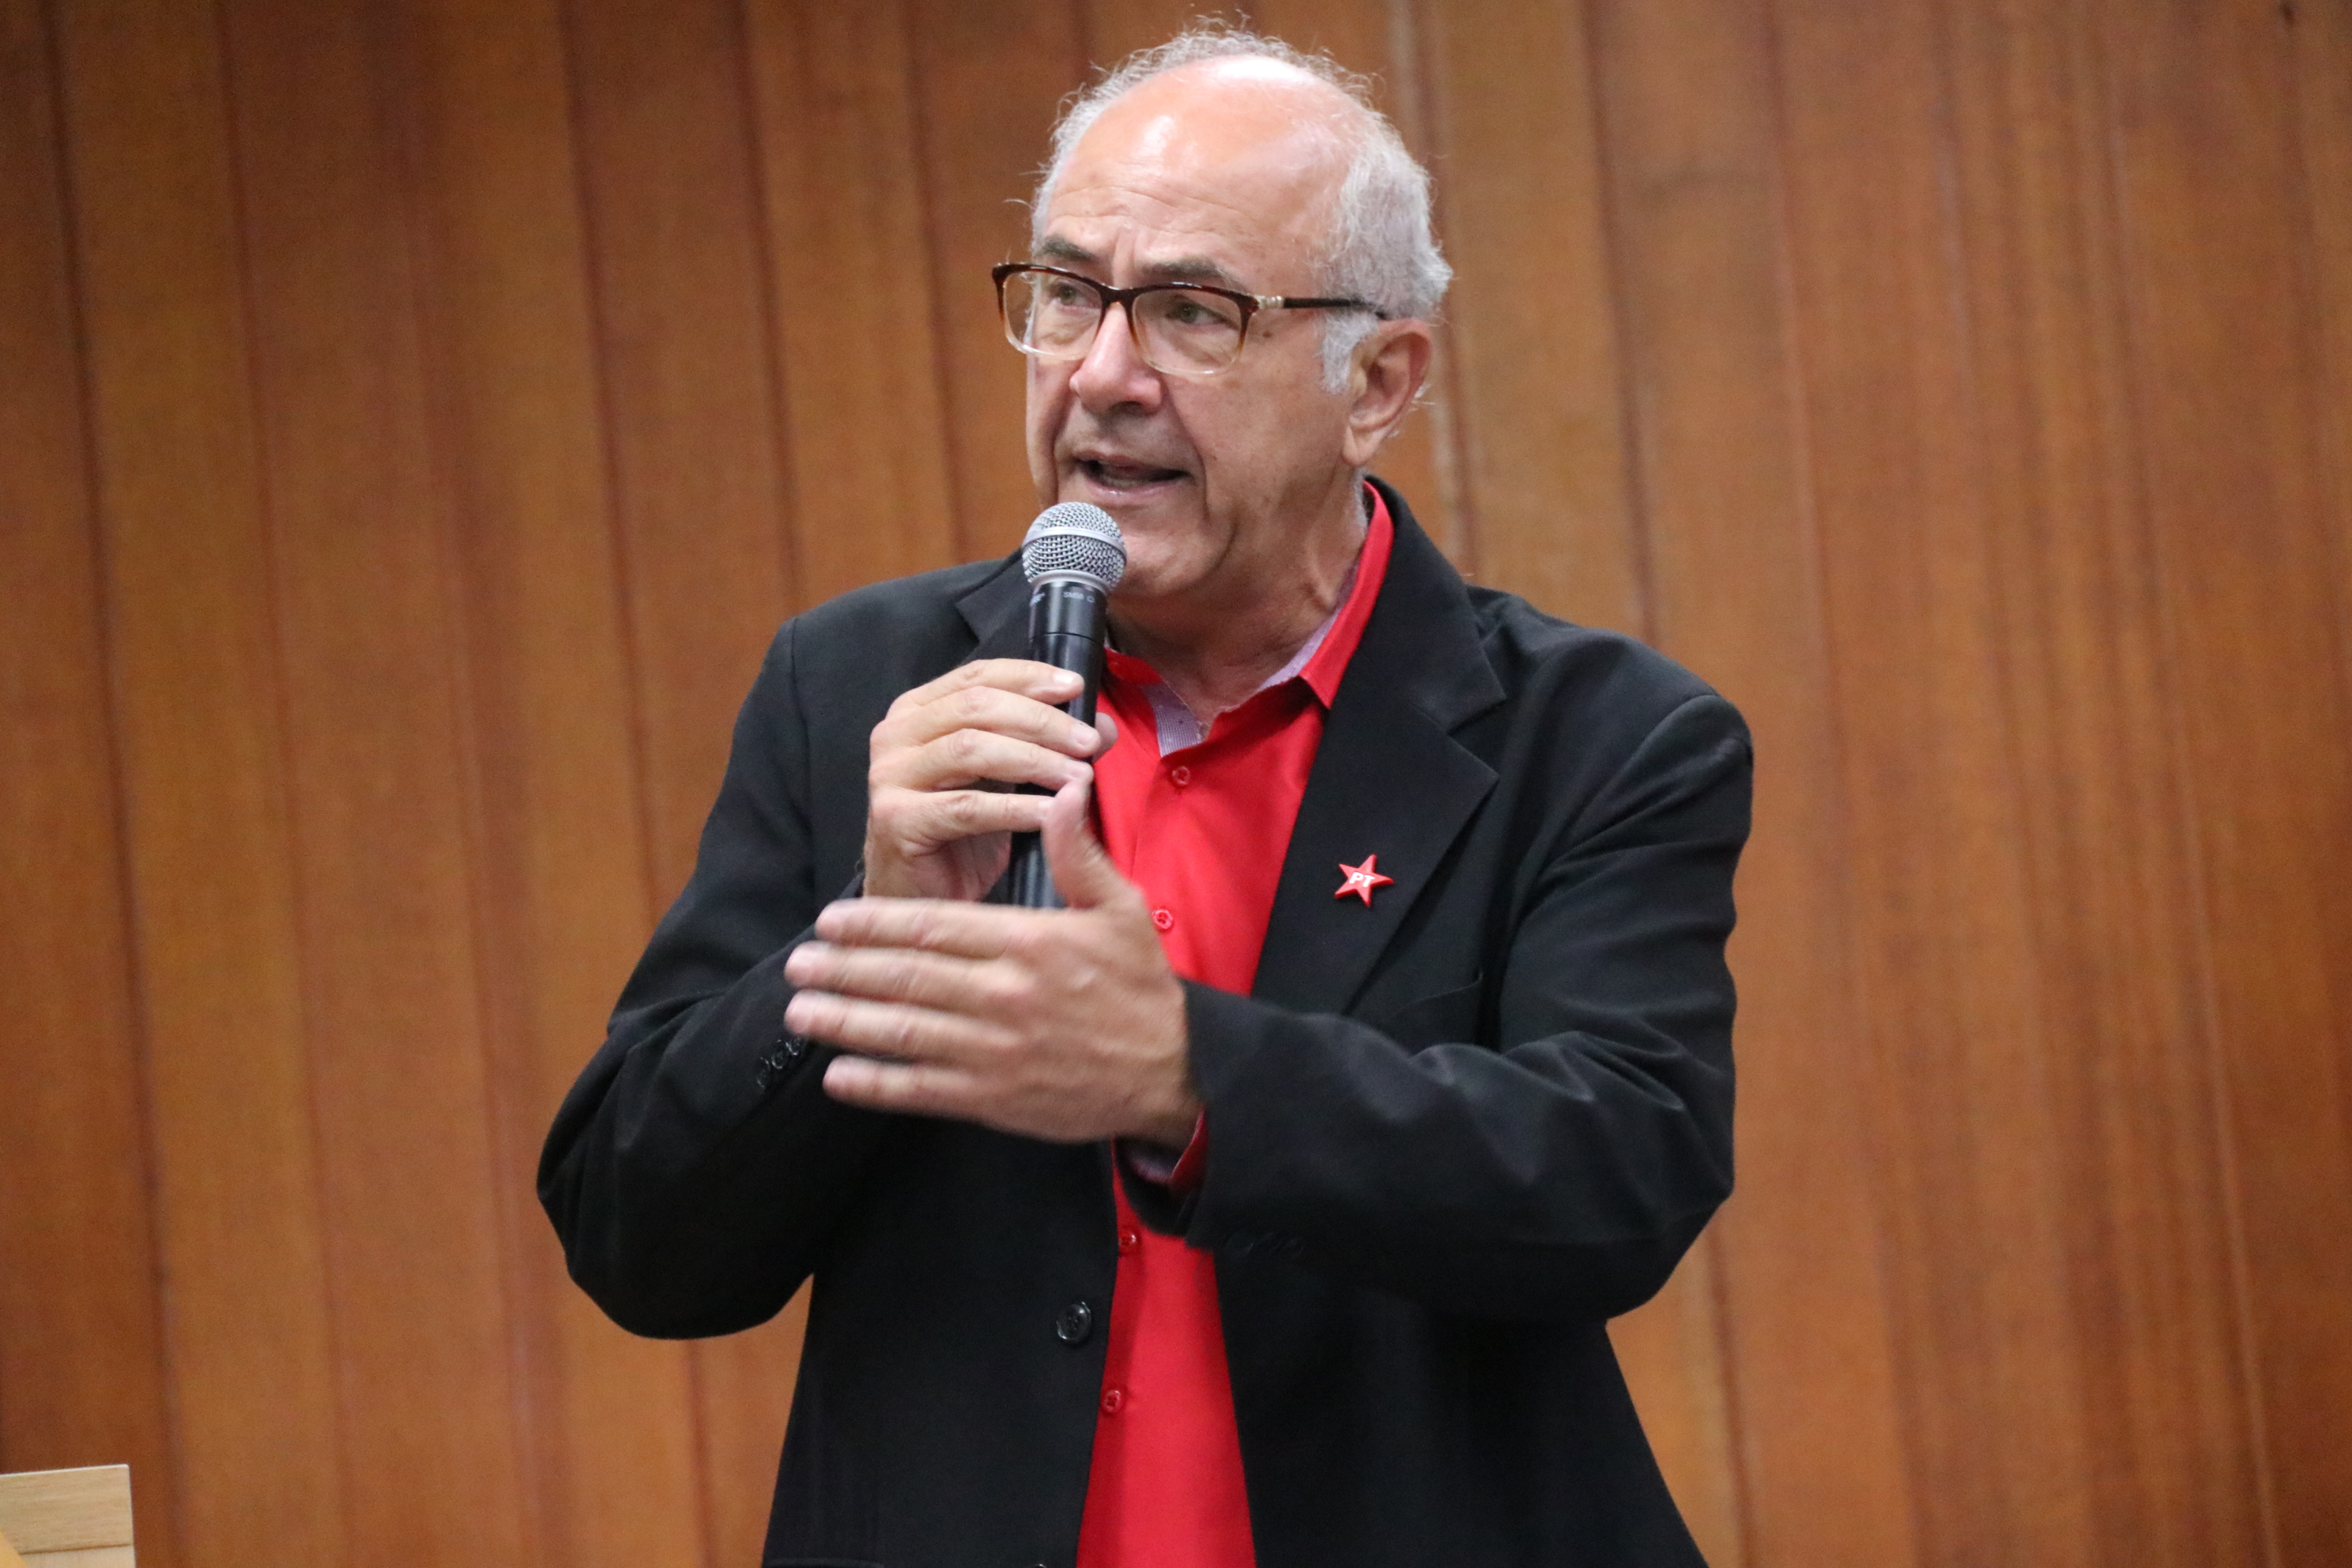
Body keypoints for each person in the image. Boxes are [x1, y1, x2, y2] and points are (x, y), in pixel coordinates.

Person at [541, 26, 1750, 1568]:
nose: (1102, 376)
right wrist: (865, 938)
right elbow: (639, 1245)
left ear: (1377, 382)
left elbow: (1618, 1176)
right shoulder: (856, 689)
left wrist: (1185, 1074)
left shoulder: (1599, 736)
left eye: (1192, 311)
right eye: (1066, 295)